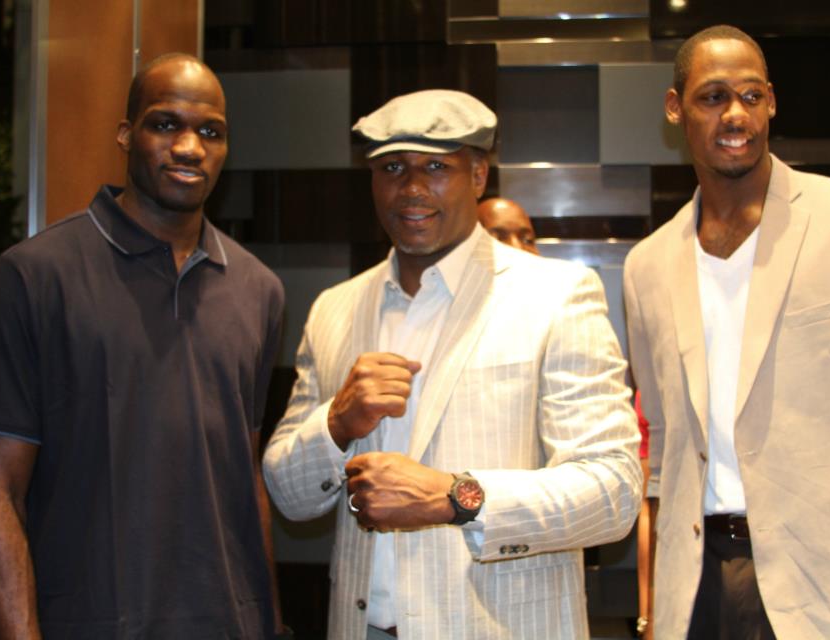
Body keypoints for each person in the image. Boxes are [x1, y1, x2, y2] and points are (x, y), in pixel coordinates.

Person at [263, 89, 641, 640]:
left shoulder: (555, 295)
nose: (412, 187)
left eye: (437, 167)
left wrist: (453, 498)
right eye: (393, 167)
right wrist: (336, 423)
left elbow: (613, 492)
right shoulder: (334, 310)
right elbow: (288, 495)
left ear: (479, 175)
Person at [0, 53, 289, 638]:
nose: (189, 147)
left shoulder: (258, 290)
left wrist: (271, 624)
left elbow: (244, 476)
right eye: (165, 124)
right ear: (125, 134)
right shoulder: (35, 276)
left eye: (210, 132)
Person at [623, 25, 830, 639]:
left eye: (752, 96)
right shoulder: (646, 266)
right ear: (675, 108)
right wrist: (653, 611)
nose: (736, 114)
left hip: (828, 590)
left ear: (772, 102)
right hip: (694, 591)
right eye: (713, 97)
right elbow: (662, 455)